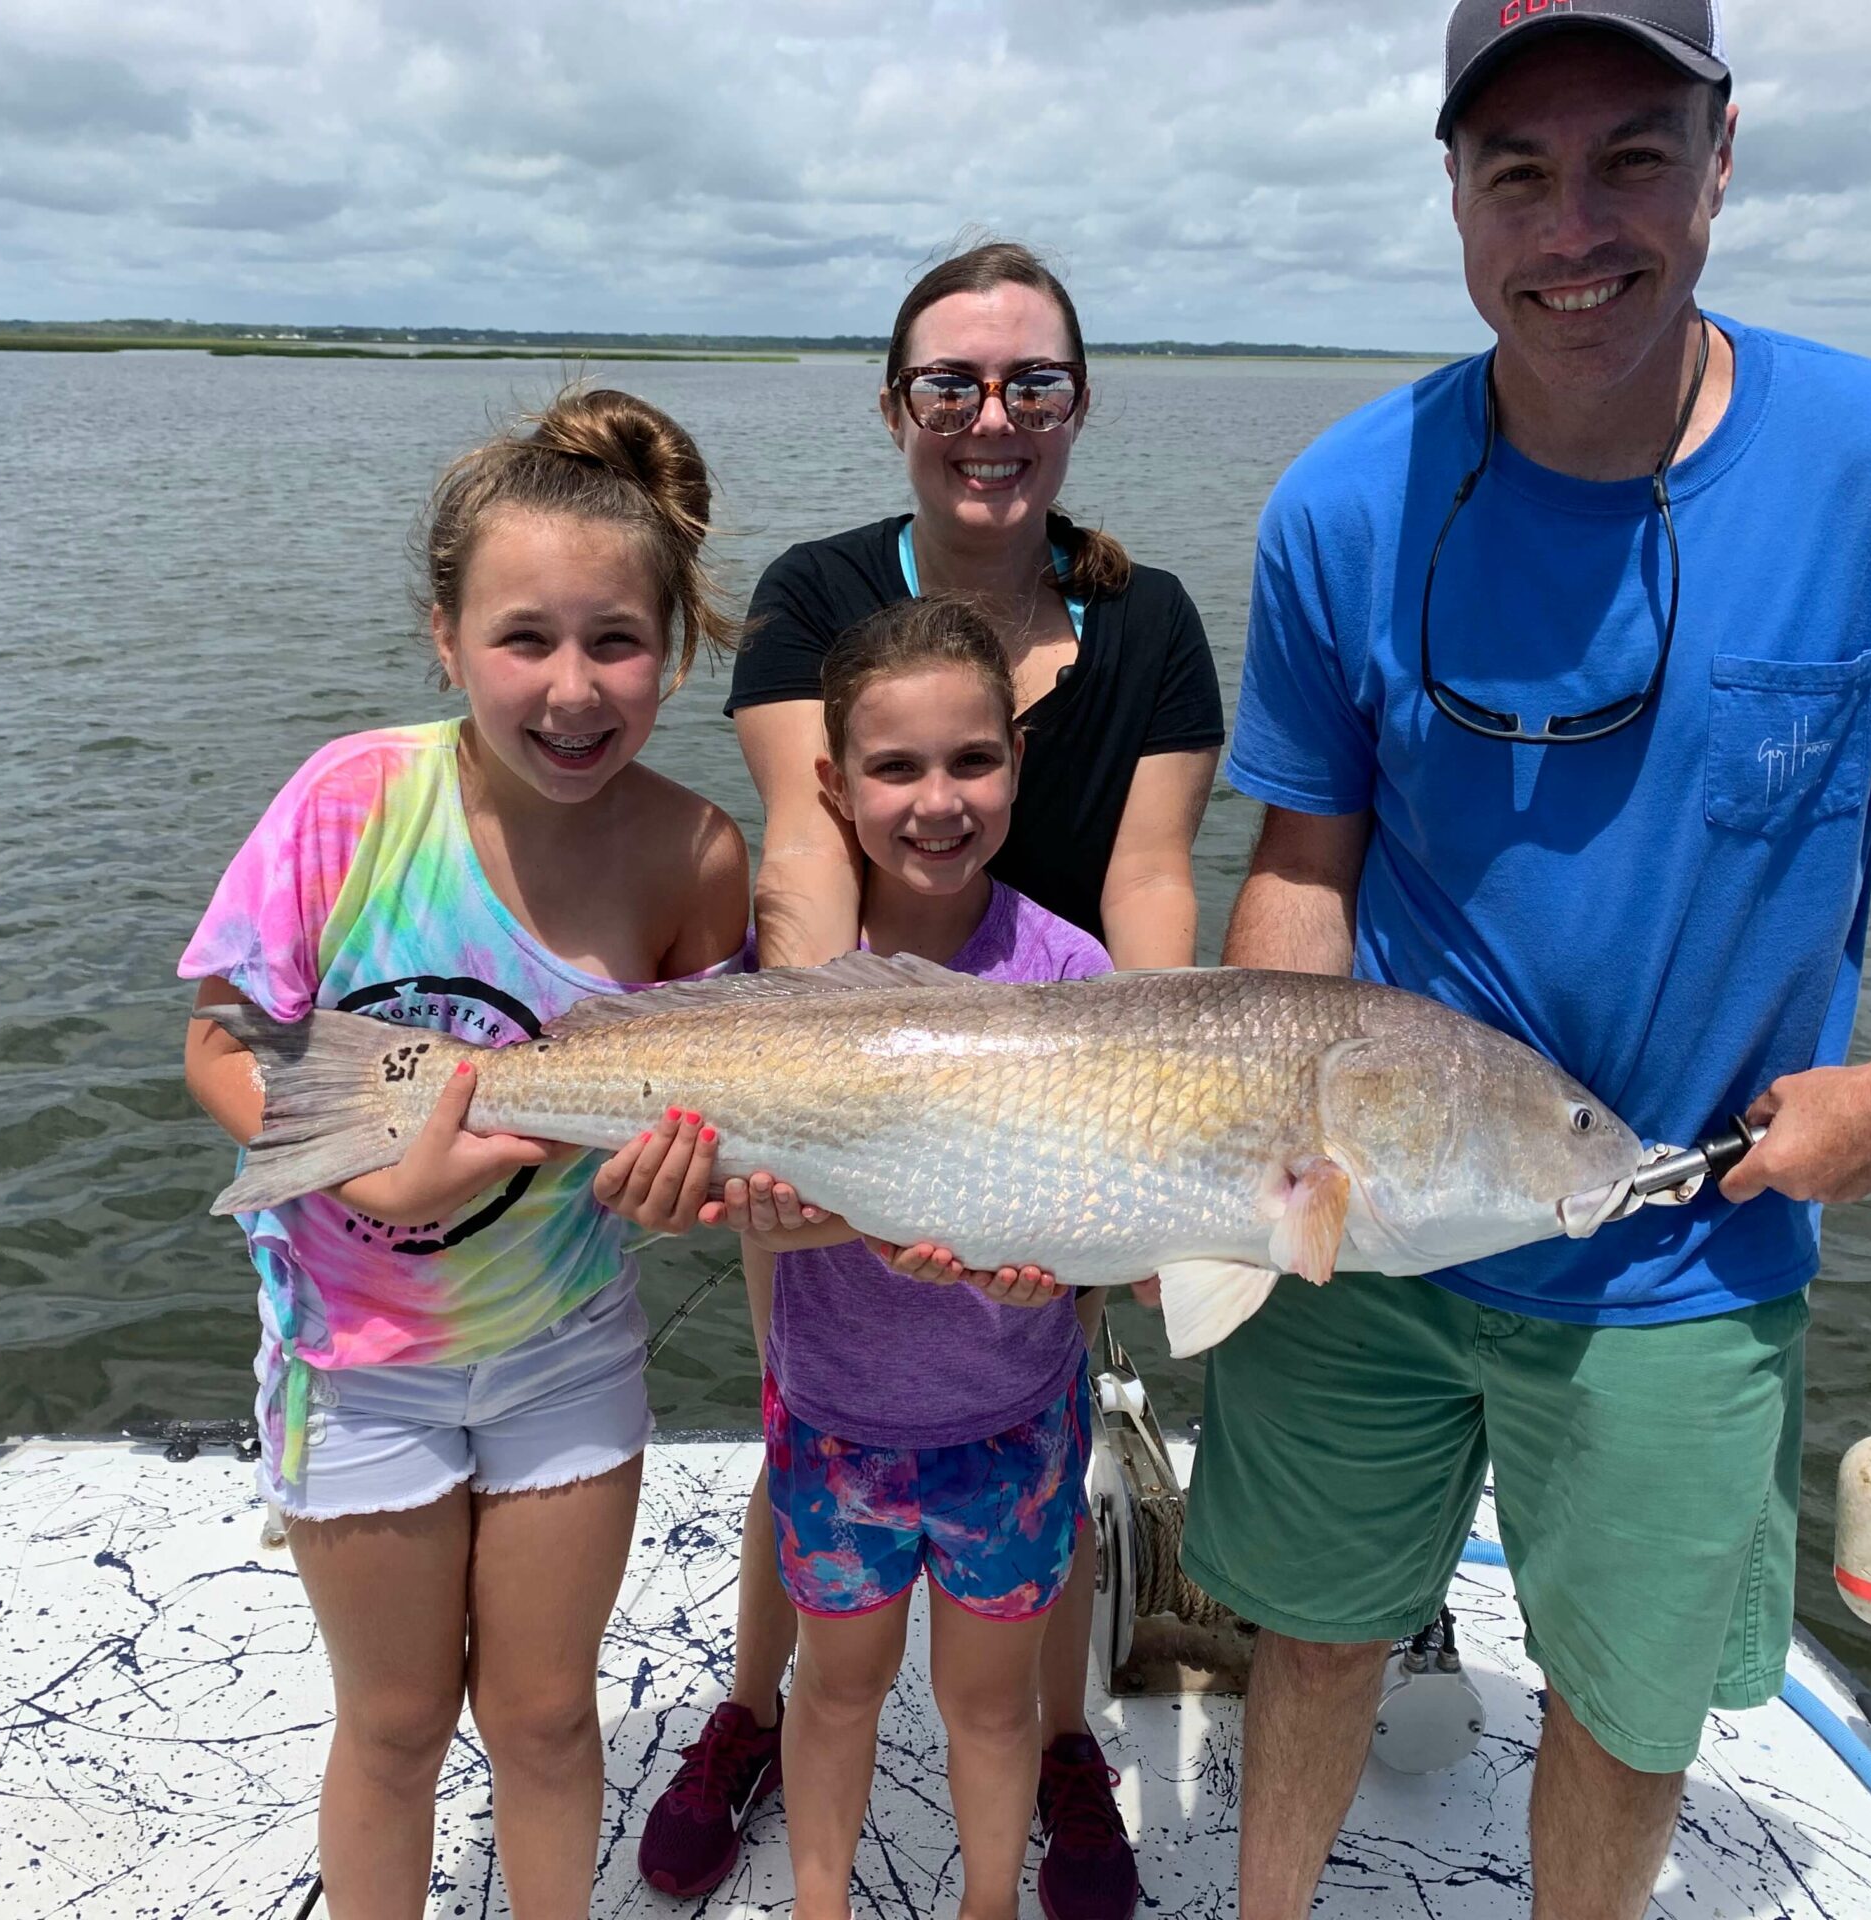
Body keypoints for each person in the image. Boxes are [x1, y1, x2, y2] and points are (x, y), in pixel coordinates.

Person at [1187, 3, 1871, 1916]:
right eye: (1519, 172)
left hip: (1683, 1244)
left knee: (1625, 1716)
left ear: (1721, 163)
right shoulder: (1340, 501)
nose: (1574, 230)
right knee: (1304, 1636)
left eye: (1631, 157)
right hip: (1358, 1223)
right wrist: (1242, 1148)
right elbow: (1307, 863)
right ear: (1455, 197)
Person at [635, 239, 1223, 1920]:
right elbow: (808, 885)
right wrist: (835, 1130)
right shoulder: (821, 594)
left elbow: (1157, 892)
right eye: (952, 382)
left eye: (1031, 381)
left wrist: (1156, 1148)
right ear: (897, 408)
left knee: (1028, 1446)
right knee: (813, 1432)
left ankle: (1049, 1744)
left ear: (1079, 403)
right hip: (838, 1069)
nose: (992, 414)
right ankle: (755, 1715)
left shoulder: (1151, 620)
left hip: (1067, 1065)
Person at [178, 390, 753, 1920]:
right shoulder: (353, 799)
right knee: (393, 1724)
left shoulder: (698, 855)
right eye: (523, 639)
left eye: (618, 642)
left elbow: (700, 1121)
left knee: (551, 1719)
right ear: (445, 638)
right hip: (353, 1358)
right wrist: (365, 1173)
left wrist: (684, 1184)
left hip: (565, 1344)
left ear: (676, 651)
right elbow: (222, 1042)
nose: (573, 689)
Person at [730, 594, 1112, 1920]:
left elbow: (1092, 1200)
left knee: (992, 1707)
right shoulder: (787, 979)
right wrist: (745, 1201)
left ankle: (989, 1905)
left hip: (1011, 1422)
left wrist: (1051, 1266)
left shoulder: (1071, 974)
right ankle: (819, 1904)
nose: (936, 800)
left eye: (972, 760)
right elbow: (728, 1183)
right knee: (834, 1688)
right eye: (895, 768)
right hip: (834, 1418)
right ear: (834, 785)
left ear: (1019, 762)